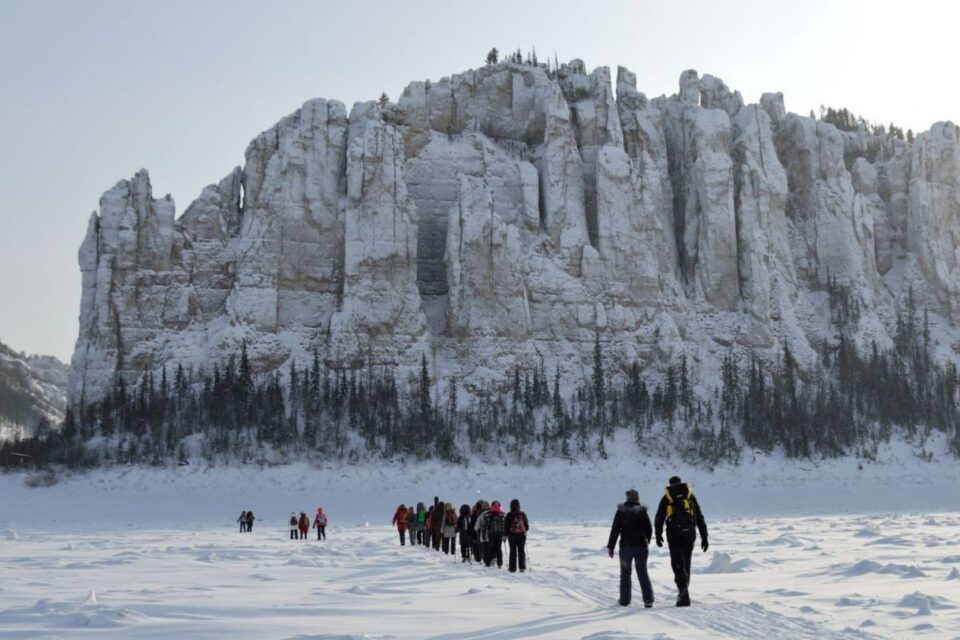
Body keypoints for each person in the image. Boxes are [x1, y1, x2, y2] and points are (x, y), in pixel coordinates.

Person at [655, 476, 708, 607]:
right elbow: (699, 516)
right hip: (690, 534)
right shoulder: (690, 496)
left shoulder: (667, 498)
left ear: (670, 484)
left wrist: (658, 535)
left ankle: (683, 595)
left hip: (674, 535)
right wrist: (704, 536)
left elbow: (659, 518)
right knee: (686, 564)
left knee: (677, 564)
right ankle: (684, 592)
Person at [607, 489, 654, 608]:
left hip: (626, 547)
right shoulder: (642, 512)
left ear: (627, 498)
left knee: (625, 573)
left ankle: (624, 600)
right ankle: (648, 600)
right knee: (642, 572)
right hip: (641, 547)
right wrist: (646, 541)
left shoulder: (621, 512)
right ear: (637, 498)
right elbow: (649, 529)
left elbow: (615, 530)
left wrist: (611, 547)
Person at [505, 498, 530, 573]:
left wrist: (506, 534)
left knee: (513, 552)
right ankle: (522, 567)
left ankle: (512, 568)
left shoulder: (509, 515)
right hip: (521, 536)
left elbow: (506, 526)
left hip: (512, 536)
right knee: (521, 551)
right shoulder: (522, 514)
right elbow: (527, 526)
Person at [482, 501, 506, 568]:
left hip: (491, 533)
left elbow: (485, 526)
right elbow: (504, 525)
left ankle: (494, 558)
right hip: (500, 533)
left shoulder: (487, 514)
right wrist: (505, 534)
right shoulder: (503, 514)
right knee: (499, 548)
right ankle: (500, 563)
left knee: (492, 547)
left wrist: (484, 534)